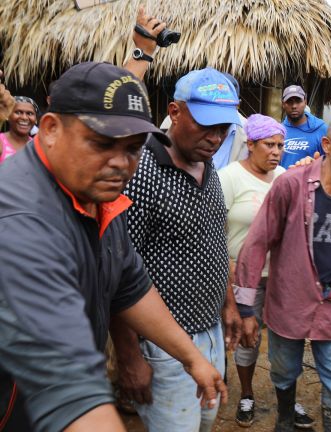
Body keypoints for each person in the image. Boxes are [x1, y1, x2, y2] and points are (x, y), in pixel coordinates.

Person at [0, 61, 226, 431]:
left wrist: (191, 358)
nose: (121, 163)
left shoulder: (98, 194)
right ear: (52, 129)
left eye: (134, 148)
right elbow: (72, 396)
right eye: (102, 143)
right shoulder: (20, 224)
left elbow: (129, 285)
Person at [112, 67, 242, 432]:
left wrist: (228, 305)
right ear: (174, 112)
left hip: (210, 331)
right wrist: (129, 356)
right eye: (206, 125)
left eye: (223, 128)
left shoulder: (209, 164)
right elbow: (118, 273)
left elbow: (215, 241)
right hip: (164, 344)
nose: (215, 138)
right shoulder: (142, 173)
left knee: (204, 420)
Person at [235, 114, 331, 431]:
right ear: (326, 144)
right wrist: (245, 306)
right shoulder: (291, 185)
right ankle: (284, 421)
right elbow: (257, 243)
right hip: (289, 299)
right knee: (283, 370)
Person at [218, 114, 286, 427]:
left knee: (285, 339)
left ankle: (288, 397)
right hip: (242, 277)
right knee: (247, 337)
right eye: (269, 145)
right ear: (251, 144)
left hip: (278, 277)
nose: (276, 151)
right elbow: (216, 233)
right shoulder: (229, 178)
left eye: (280, 145)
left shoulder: (284, 177)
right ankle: (246, 393)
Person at [280, 85, 328, 168]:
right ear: (283, 104)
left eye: (298, 101)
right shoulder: (278, 131)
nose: (294, 106)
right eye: (289, 102)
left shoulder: (321, 129)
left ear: (305, 102)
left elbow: (329, 163)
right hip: (283, 180)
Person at [0, 96, 38, 164]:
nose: (24, 117)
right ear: (8, 116)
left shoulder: (37, 146)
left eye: (29, 113)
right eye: (18, 112)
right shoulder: (1, 143)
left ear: (35, 119)